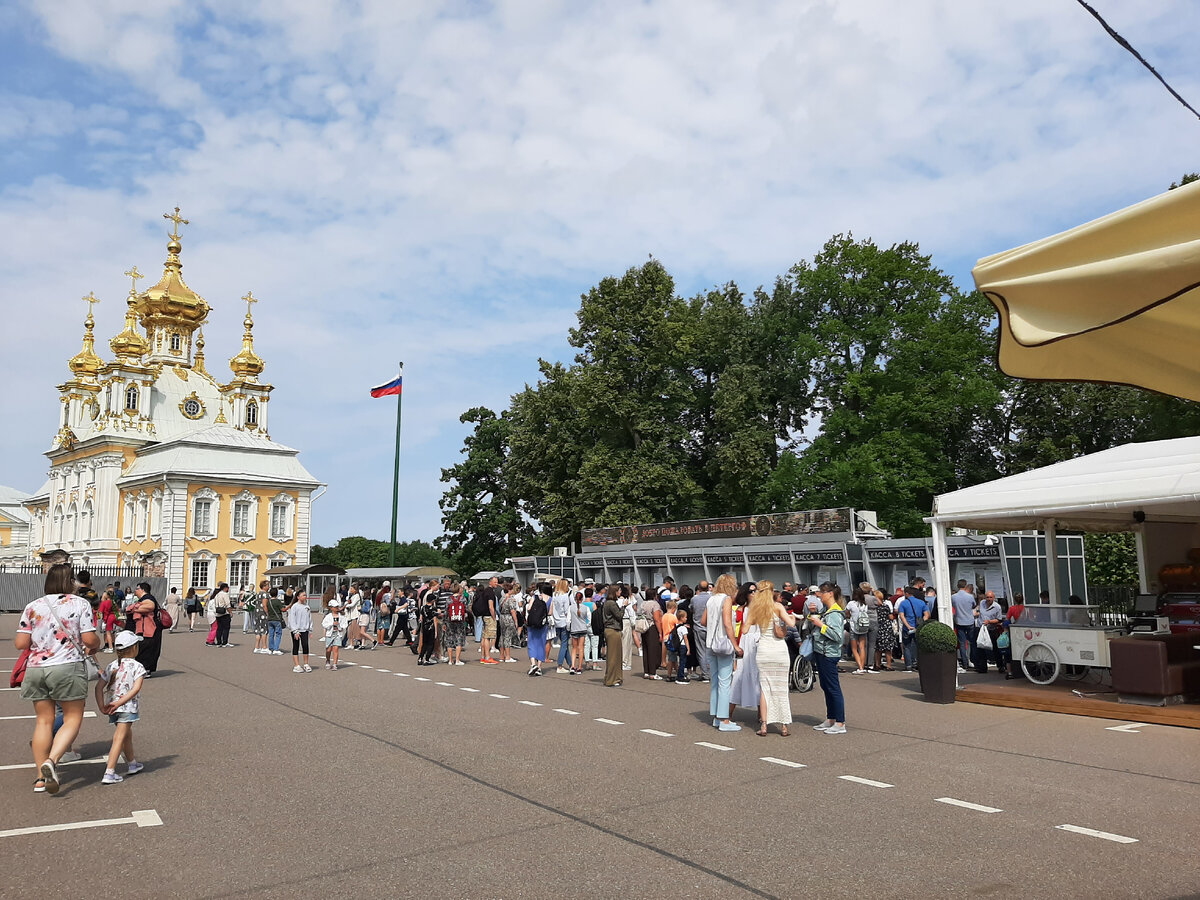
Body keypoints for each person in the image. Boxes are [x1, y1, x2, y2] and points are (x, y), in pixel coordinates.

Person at [15, 563, 101, 794]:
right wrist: (96, 645)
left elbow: (21, 643)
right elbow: (90, 639)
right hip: (66, 666)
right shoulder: (80, 603)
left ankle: (39, 779)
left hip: (36, 668)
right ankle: (51, 761)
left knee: (43, 720)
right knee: (73, 717)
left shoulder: (33, 605)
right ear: (70, 581)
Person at [96, 630, 147, 784]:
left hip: (112, 707)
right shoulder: (137, 666)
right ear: (134, 648)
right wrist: (120, 702)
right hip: (126, 707)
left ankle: (132, 763)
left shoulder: (111, 665)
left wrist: (102, 706)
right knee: (119, 737)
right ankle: (110, 772)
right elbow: (136, 688)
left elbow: (98, 688)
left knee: (126, 735)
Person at [747, 581, 793, 736]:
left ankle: (764, 725)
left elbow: (746, 629)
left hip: (764, 651)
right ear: (772, 592)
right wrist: (790, 619)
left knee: (765, 689)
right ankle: (784, 726)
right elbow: (791, 623)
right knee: (781, 688)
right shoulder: (778, 607)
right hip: (779, 650)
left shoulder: (755, 609)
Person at [703, 574, 743, 732]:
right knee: (725, 682)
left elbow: (703, 621)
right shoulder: (726, 599)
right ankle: (724, 719)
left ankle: (716, 717)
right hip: (723, 644)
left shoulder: (711, 599)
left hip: (710, 644)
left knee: (715, 681)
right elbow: (727, 623)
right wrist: (736, 645)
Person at [810, 585, 847, 734]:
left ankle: (840, 722)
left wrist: (821, 625)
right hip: (822, 652)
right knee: (826, 686)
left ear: (830, 594)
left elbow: (837, 636)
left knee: (833, 688)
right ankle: (831, 718)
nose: (819, 595)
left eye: (821, 592)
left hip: (829, 653)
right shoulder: (828, 611)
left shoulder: (835, 613)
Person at [125, 582, 163, 675]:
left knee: (146, 649)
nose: (135, 591)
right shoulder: (142, 599)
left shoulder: (148, 599)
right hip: (144, 629)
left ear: (142, 590)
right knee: (142, 648)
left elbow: (150, 606)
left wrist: (134, 608)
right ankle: (143, 669)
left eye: (137, 589)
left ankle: (146, 669)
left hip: (149, 629)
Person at [897, 585, 928, 672]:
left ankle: (908, 665)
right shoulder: (921, 602)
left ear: (906, 594)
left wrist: (907, 626)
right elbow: (926, 614)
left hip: (907, 629)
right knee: (918, 646)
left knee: (907, 646)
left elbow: (902, 616)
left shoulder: (903, 603)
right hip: (918, 627)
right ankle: (918, 663)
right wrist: (921, 622)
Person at [951, 580, 977, 673]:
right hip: (969, 621)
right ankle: (974, 661)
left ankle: (965, 663)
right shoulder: (970, 596)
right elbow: (974, 606)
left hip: (959, 621)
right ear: (965, 586)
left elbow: (952, 606)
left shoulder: (953, 597)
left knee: (962, 643)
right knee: (972, 642)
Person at [638, 588, 664, 680]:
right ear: (654, 595)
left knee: (646, 649)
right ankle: (653, 672)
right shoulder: (655, 604)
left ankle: (647, 671)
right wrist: (660, 632)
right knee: (653, 650)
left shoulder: (643, 604)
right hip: (652, 627)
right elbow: (656, 619)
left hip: (643, 627)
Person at [601, 585, 624, 687]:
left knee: (616, 655)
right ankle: (611, 679)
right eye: (619, 590)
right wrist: (624, 606)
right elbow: (619, 615)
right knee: (613, 656)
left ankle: (616, 678)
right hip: (612, 630)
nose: (620, 592)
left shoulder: (608, 602)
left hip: (611, 630)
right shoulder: (611, 603)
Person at [526, 585, 551, 677]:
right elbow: (550, 612)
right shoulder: (550, 599)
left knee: (531, 644)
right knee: (541, 644)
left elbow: (528, 608)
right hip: (543, 624)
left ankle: (533, 664)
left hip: (532, 623)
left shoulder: (534, 597)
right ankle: (539, 667)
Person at [844, 588, 870, 675]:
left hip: (854, 627)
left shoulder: (851, 603)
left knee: (854, 648)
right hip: (863, 626)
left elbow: (846, 613)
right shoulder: (864, 604)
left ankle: (860, 667)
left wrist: (850, 616)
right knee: (862, 647)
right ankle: (862, 666)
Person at [288, 589, 314, 673]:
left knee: (305, 645)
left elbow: (310, 619)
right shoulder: (294, 607)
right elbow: (292, 619)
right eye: (303, 595)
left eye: (305, 595)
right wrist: (295, 631)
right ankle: (297, 665)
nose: (305, 596)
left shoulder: (307, 606)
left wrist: (310, 629)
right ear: (298, 597)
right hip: (296, 630)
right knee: (296, 646)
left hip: (305, 630)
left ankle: (306, 664)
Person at [550, 579, 573, 673]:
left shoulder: (554, 595)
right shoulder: (565, 596)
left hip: (556, 621)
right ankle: (559, 665)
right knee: (564, 644)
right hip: (564, 621)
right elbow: (567, 610)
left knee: (565, 644)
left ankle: (571, 664)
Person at [873, 589, 898, 671]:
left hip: (878, 626)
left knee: (878, 648)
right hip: (886, 627)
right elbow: (891, 617)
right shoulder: (885, 606)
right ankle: (888, 665)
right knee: (888, 648)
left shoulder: (874, 608)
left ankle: (877, 664)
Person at [445, 586, 468, 666]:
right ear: (459, 590)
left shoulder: (448, 599)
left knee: (450, 639)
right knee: (459, 638)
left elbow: (446, 611)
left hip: (450, 620)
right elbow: (466, 609)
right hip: (460, 621)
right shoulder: (463, 598)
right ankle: (457, 660)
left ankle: (450, 660)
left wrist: (445, 621)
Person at [568, 590, 590, 675]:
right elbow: (589, 619)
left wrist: (569, 628)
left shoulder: (571, 607)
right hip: (583, 629)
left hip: (574, 629)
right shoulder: (586, 608)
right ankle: (580, 667)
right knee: (581, 648)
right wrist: (586, 625)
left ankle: (572, 666)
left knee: (574, 648)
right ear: (582, 599)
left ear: (574, 599)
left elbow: (568, 620)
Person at [497, 584, 520, 663]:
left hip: (502, 617)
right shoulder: (510, 599)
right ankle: (508, 656)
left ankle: (501, 656)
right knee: (507, 637)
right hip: (508, 618)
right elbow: (512, 611)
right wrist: (516, 621)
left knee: (502, 636)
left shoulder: (501, 599)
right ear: (509, 590)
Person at [322, 600, 348, 670]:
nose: (336, 608)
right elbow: (324, 624)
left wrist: (340, 627)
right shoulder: (328, 616)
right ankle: (328, 660)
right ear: (331, 608)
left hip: (338, 634)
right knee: (328, 649)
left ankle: (334, 664)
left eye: (337, 607)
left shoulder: (341, 616)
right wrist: (332, 624)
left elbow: (345, 624)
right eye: (335, 607)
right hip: (330, 634)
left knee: (335, 649)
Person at [417, 592, 441, 666]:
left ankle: (420, 658)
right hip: (431, 627)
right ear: (433, 600)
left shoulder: (423, 607)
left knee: (424, 643)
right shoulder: (433, 609)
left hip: (424, 627)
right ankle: (427, 659)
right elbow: (435, 618)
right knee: (431, 644)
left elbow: (421, 618)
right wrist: (436, 631)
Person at [211, 583, 233, 647]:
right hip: (224, 613)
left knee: (219, 628)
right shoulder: (225, 594)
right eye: (228, 587)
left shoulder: (217, 595)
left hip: (218, 613)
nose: (228, 589)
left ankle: (219, 642)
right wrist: (230, 612)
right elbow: (227, 604)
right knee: (226, 628)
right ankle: (225, 642)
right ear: (225, 588)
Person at [98, 588, 117, 652]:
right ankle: (113, 645)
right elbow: (117, 611)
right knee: (113, 632)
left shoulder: (104, 603)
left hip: (107, 618)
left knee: (108, 633)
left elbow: (100, 612)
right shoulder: (113, 602)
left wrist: (98, 619)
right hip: (114, 618)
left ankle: (110, 647)